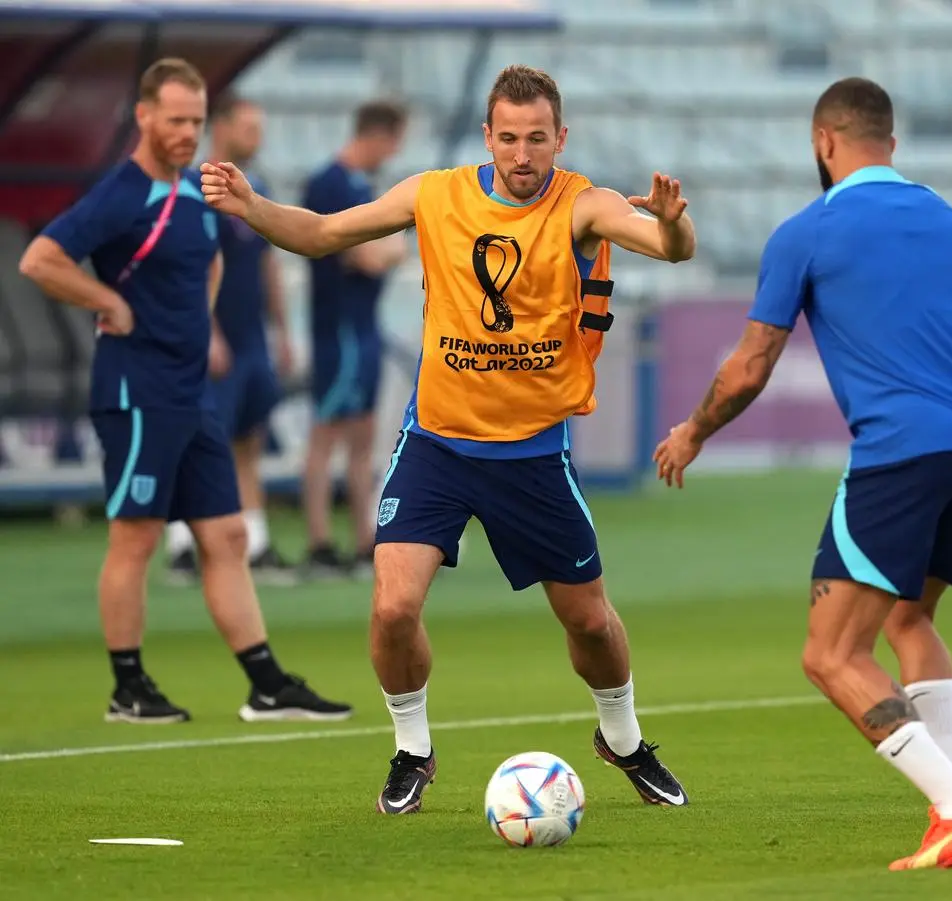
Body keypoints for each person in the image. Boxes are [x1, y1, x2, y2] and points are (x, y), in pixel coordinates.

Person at [202, 64, 694, 814]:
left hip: (531, 452)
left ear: (561, 138)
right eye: (509, 138)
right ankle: (412, 749)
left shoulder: (583, 203)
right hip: (436, 442)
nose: (523, 155)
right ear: (488, 138)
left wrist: (671, 219)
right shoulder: (435, 194)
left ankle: (622, 737)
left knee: (590, 621)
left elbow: (670, 247)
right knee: (393, 606)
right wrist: (250, 206)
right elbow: (325, 234)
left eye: (538, 139)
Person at [653, 77, 952, 870]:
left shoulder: (808, 230)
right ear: (892, 140)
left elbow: (750, 367)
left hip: (900, 453)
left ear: (824, 141)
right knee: (910, 621)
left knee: (830, 654)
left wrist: (694, 431)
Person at [19, 57, 352, 725]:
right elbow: (41, 259)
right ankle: (128, 687)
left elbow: (214, 258)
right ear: (143, 117)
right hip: (137, 391)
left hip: (191, 391)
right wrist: (104, 296)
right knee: (136, 537)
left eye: (196, 121)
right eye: (175, 120)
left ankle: (267, 683)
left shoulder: (200, 193)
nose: (187, 132)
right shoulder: (120, 192)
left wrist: (204, 332)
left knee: (226, 535)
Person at [165, 91, 297, 586]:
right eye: (249, 127)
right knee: (198, 439)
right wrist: (208, 331)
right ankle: (181, 546)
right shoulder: (192, 188)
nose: (257, 137)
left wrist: (282, 332)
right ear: (219, 128)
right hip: (210, 340)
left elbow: (267, 265)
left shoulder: (253, 188)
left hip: (251, 339)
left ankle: (256, 542)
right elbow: (188, 267)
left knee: (248, 437)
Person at [300, 101, 409, 580]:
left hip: (364, 326)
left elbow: (390, 247)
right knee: (326, 436)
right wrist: (384, 250)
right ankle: (320, 542)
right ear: (379, 135)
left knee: (364, 436)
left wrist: (383, 249)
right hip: (339, 328)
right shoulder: (330, 184)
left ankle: (366, 538)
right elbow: (364, 256)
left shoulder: (364, 187)